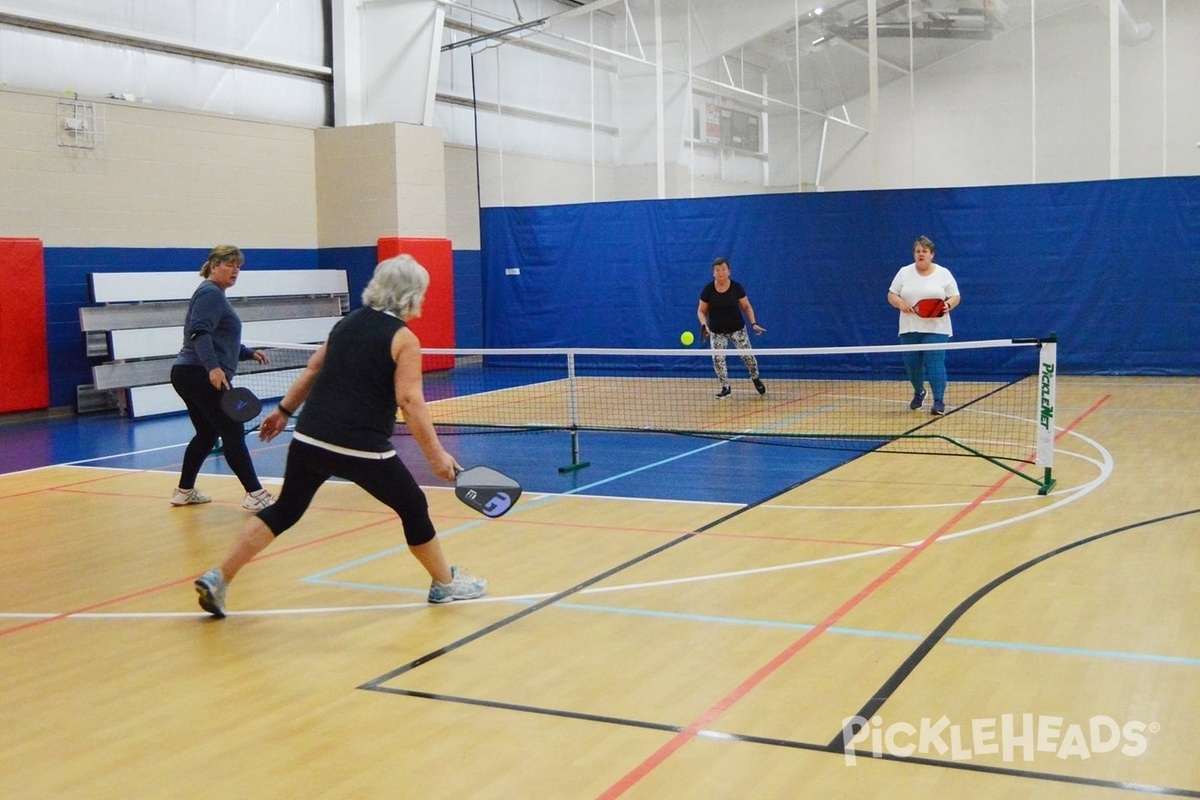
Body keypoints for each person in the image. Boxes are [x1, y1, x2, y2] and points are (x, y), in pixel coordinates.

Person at [194, 254, 488, 618]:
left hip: (311, 437)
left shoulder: (347, 324)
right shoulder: (404, 339)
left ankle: (220, 576)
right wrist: (436, 456)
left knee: (286, 509)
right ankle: (445, 584)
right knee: (413, 506)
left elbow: (313, 369)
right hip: (361, 444)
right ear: (410, 295)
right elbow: (410, 402)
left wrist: (284, 412)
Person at [170, 245, 275, 510]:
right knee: (232, 432)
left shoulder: (213, 294)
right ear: (213, 265)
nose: (235, 270)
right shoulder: (210, 294)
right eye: (229, 264)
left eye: (238, 266)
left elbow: (220, 341)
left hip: (188, 373)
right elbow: (199, 334)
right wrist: (212, 368)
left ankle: (184, 491)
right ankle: (255, 494)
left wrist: (249, 353)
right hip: (199, 373)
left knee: (206, 434)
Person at [887, 235, 961, 416]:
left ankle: (938, 401)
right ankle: (919, 392)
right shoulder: (904, 272)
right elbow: (891, 294)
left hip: (937, 327)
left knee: (934, 362)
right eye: (917, 251)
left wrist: (948, 305)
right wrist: (900, 303)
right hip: (909, 326)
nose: (921, 254)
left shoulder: (944, 273)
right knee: (912, 364)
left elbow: (955, 296)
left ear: (932, 254)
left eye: (924, 251)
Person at [697, 257, 767, 399]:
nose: (720, 272)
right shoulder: (708, 290)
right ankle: (725, 387)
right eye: (717, 270)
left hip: (737, 329)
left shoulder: (736, 287)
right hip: (717, 332)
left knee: (748, 358)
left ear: (729, 271)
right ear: (713, 273)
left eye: (723, 269)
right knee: (718, 359)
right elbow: (701, 311)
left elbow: (746, 306)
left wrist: (753, 324)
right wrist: (704, 324)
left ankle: (755, 378)